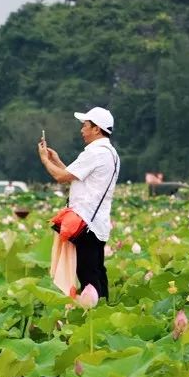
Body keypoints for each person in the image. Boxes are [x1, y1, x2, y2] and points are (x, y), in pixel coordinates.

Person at [38, 106, 120, 301]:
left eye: (85, 126)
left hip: (86, 224)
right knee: (97, 270)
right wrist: (56, 160)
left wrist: (44, 160)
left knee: (87, 273)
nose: (81, 130)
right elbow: (73, 176)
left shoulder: (96, 153)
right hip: (97, 223)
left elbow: (60, 177)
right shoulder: (110, 153)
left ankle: (95, 314)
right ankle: (104, 308)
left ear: (96, 129)